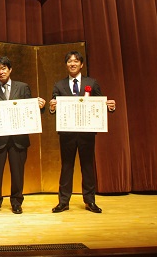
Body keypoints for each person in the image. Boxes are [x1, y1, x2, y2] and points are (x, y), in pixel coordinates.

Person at [48, 51, 116, 214]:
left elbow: (101, 104)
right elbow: (54, 108)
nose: (73, 64)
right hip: (67, 134)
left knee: (87, 167)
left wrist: (110, 106)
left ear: (81, 64)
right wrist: (52, 108)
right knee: (66, 167)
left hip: (87, 133)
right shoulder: (59, 85)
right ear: (66, 65)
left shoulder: (91, 83)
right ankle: (63, 201)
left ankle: (90, 200)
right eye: (69, 61)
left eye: (76, 61)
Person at [0, 56, 45, 215]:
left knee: (18, 173)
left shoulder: (23, 87)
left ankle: (17, 202)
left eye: (3, 68)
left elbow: (30, 110)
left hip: (18, 139)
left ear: (10, 69)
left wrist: (40, 107)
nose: (0, 72)